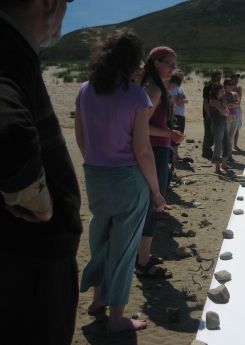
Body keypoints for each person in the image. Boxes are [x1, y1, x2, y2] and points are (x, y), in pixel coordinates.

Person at [0, 1, 82, 344]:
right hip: (26, 269)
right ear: (47, 4)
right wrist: (34, 197)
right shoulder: (7, 52)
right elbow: (9, 131)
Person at [75, 29, 166, 333]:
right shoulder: (135, 94)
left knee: (100, 239)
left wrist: (97, 160)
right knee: (125, 250)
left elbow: (80, 136)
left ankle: (98, 298)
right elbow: (143, 150)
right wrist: (155, 191)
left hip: (95, 175)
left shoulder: (85, 89)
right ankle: (117, 318)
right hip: (127, 180)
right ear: (132, 61)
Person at [137, 46, 185, 279]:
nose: (173, 69)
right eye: (170, 64)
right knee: (154, 205)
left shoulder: (148, 85)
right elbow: (141, 126)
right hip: (155, 151)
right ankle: (143, 261)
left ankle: (142, 255)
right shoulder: (154, 89)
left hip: (155, 149)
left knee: (150, 204)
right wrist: (169, 134)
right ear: (156, 61)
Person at [209, 83, 231, 173]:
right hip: (217, 125)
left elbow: (227, 112)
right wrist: (225, 110)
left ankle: (224, 164)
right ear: (217, 91)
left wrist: (225, 110)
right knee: (218, 145)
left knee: (227, 144)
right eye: (222, 90)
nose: (224, 91)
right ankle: (217, 167)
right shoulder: (214, 101)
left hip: (223, 123)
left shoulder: (221, 100)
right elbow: (224, 112)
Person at [168, 72, 187, 161]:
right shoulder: (170, 89)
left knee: (179, 134)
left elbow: (184, 99)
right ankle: (172, 155)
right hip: (174, 114)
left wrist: (182, 99)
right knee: (174, 135)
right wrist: (179, 99)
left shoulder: (180, 88)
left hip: (181, 113)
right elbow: (174, 100)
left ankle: (175, 154)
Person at [202, 71, 222, 159]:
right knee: (208, 133)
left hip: (218, 113)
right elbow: (205, 102)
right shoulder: (207, 87)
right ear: (212, 78)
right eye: (217, 78)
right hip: (209, 114)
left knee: (214, 133)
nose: (219, 79)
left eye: (220, 78)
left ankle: (208, 150)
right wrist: (208, 114)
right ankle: (206, 151)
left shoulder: (220, 87)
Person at [223, 79, 240, 162]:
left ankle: (229, 155)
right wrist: (232, 105)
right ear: (225, 86)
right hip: (227, 116)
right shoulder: (223, 95)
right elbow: (225, 105)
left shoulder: (235, 94)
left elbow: (238, 104)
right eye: (228, 85)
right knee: (226, 137)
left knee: (231, 136)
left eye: (231, 85)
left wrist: (231, 105)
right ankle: (225, 155)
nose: (230, 87)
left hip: (235, 116)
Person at [231, 73, 243, 151]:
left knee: (237, 128)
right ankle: (228, 145)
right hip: (229, 109)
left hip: (237, 109)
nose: (236, 80)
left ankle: (235, 145)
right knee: (228, 128)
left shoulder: (239, 88)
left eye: (237, 79)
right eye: (235, 79)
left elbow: (239, 99)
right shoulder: (227, 87)